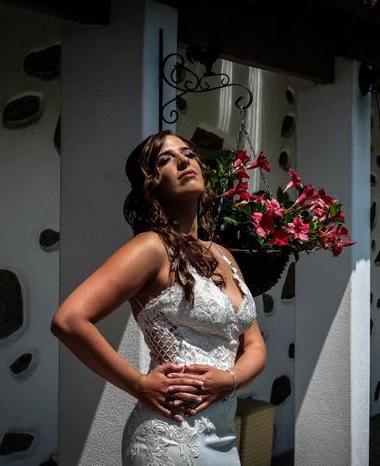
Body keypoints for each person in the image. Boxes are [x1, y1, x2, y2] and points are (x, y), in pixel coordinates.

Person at [51, 131, 266, 465]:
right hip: (171, 437)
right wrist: (139, 384)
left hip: (224, 435)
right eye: (165, 160)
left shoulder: (223, 255)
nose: (183, 161)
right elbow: (69, 321)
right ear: (150, 184)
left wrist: (229, 380)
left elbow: (253, 343)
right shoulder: (151, 248)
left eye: (188, 153)